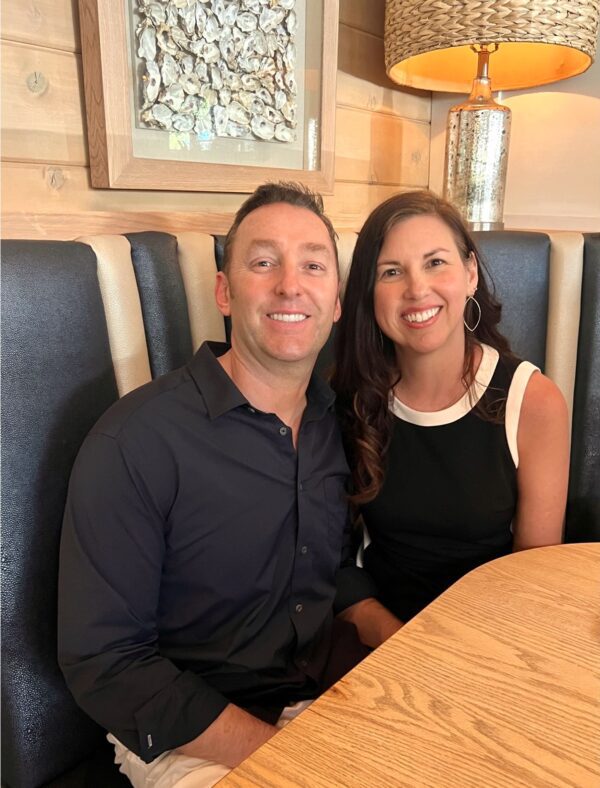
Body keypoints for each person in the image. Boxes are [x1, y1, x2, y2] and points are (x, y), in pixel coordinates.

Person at [58, 182, 401, 788]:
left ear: (337, 300)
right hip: (190, 735)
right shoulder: (136, 442)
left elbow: (329, 566)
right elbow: (106, 664)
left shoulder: (329, 420)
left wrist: (402, 644)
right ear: (224, 290)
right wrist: (282, 755)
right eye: (263, 262)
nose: (290, 285)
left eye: (313, 266)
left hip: (323, 692)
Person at [331, 190, 569, 623]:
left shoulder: (533, 402)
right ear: (370, 293)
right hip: (380, 636)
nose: (417, 289)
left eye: (435, 262)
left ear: (470, 273)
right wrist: (394, 639)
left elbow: (534, 579)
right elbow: (332, 558)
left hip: (494, 636)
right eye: (391, 272)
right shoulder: (351, 397)